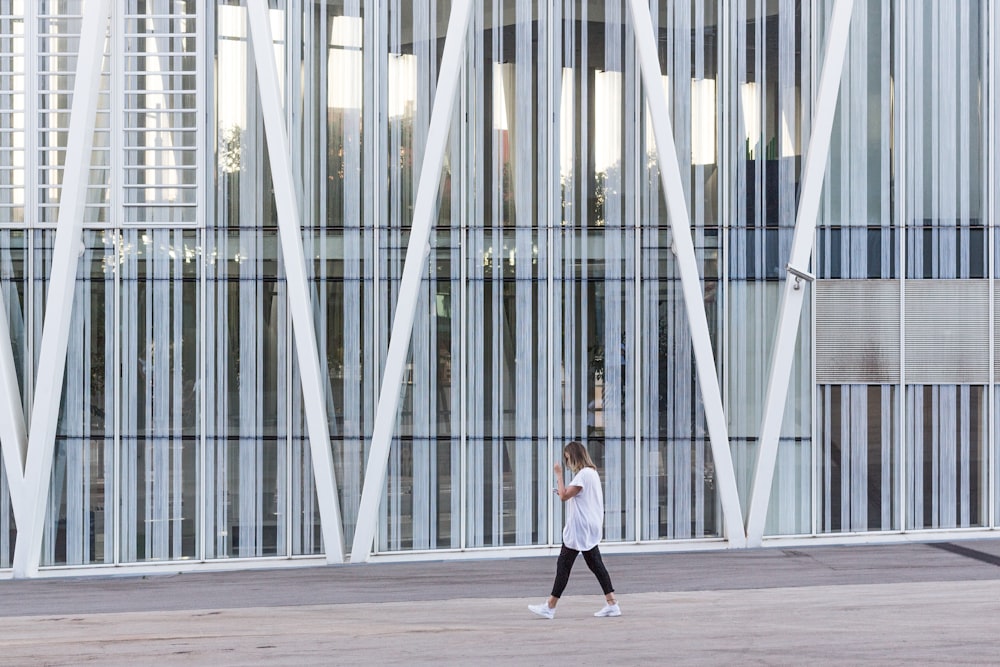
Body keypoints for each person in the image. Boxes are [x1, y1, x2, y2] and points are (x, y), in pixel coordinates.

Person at [528, 440, 620, 619]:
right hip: (589, 526)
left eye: (568, 458)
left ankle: (550, 606)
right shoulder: (591, 473)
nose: (567, 463)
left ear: (575, 456)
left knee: (564, 565)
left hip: (580, 528)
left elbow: (564, 496)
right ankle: (612, 603)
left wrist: (559, 474)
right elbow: (572, 494)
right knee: (596, 565)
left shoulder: (583, 474)